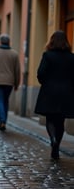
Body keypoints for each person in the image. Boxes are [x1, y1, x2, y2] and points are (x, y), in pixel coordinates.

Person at [34, 30, 74, 160]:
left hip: (50, 91)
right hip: (66, 92)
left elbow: (41, 73)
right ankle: (57, 145)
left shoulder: (47, 55)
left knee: (50, 119)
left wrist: (45, 82)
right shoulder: (71, 57)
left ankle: (53, 139)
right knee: (60, 121)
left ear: (51, 41)